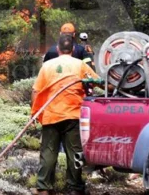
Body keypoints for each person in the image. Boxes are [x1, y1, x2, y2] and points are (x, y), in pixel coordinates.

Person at [31, 33, 101, 195]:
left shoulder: (47, 66)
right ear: (73, 49)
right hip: (73, 115)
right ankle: (75, 188)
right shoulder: (80, 65)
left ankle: (43, 188)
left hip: (50, 115)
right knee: (75, 153)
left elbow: (35, 90)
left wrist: (34, 112)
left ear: (58, 49)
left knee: (48, 152)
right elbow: (97, 82)